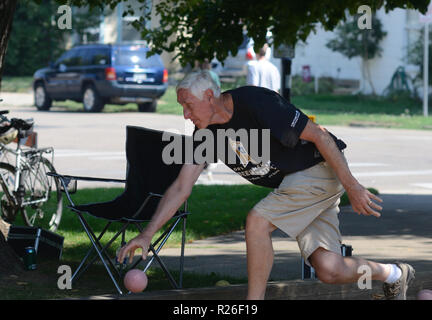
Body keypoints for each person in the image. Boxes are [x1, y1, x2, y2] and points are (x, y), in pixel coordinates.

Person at [117, 71, 415, 300]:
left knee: (257, 221)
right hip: (296, 185)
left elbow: (321, 136)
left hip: (318, 170)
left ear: (209, 96)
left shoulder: (258, 103)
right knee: (329, 269)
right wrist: (147, 235)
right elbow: (181, 187)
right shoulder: (204, 133)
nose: (185, 114)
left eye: (188, 105)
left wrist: (352, 185)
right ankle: (394, 274)